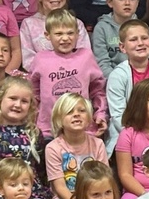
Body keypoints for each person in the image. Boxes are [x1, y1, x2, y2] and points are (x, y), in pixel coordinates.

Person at [0, 76, 52, 199]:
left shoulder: (34, 134)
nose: (18, 105)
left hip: (30, 195)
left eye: (24, 101)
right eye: (13, 98)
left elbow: (42, 170)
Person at [28, 9, 107, 138]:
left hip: (82, 129)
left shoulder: (86, 56)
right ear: (47, 35)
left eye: (70, 33)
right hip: (49, 130)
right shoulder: (40, 59)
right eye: (59, 33)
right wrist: (32, 121)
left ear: (78, 34)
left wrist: (100, 114)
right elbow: (33, 94)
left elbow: (97, 90)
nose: (65, 38)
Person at [105, 19, 149, 152]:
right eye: (133, 40)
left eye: (144, 38)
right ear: (122, 47)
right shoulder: (117, 76)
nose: (140, 43)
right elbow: (118, 116)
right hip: (128, 137)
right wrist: (140, 139)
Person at [45, 93, 108, 199]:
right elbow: (60, 187)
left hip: (96, 197)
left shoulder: (98, 144)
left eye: (81, 111)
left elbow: (105, 179)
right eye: (69, 112)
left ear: (89, 118)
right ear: (59, 120)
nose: (76, 114)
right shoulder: (53, 148)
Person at [19, 0, 91, 70]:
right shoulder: (29, 24)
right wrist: (52, 72)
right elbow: (28, 61)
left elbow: (85, 56)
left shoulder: (77, 23)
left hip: (73, 75)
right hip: (42, 78)